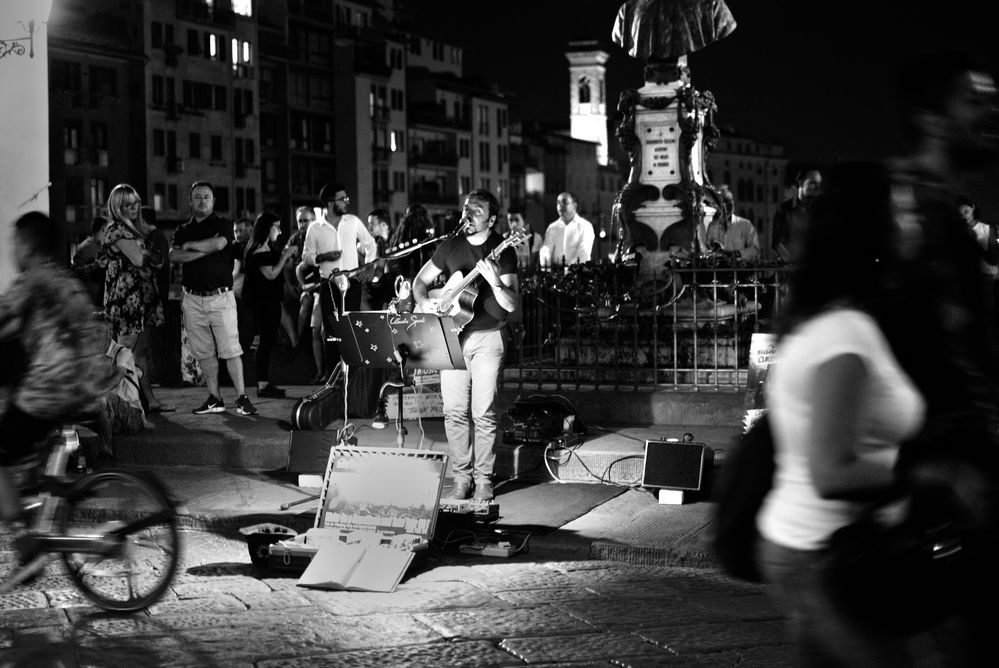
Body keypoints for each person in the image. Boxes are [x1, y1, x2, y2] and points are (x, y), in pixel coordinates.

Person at [756, 163, 927, 666]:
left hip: (815, 546)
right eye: (904, 211)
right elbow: (832, 471)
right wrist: (922, 469)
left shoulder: (829, 316)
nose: (914, 222)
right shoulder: (844, 332)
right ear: (873, 229)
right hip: (823, 553)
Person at [878, 52, 999, 666]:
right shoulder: (910, 214)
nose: (989, 109)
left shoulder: (941, 210)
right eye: (971, 100)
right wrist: (926, 467)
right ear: (931, 117)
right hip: (944, 481)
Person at [0, 212, 118, 554]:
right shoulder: (63, 279)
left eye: (14, 244)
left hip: (49, 389)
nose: (12, 252)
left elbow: (3, 317)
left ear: (26, 245)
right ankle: (45, 502)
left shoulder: (33, 280)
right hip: (81, 386)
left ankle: (26, 538)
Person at [412, 189, 519, 501]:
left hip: (488, 337)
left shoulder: (502, 250)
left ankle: (483, 480)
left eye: (477, 210)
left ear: (492, 218)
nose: (469, 214)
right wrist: (426, 303)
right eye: (466, 208)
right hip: (452, 337)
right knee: (454, 411)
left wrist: (495, 281)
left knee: (483, 412)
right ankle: (462, 478)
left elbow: (511, 305)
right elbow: (420, 282)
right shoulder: (450, 246)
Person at [169, 181, 257, 416]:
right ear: (190, 201)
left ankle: (242, 398)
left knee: (231, 349)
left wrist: (191, 247)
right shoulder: (182, 230)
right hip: (192, 299)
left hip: (220, 298)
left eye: (206, 196)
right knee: (205, 353)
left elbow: (220, 243)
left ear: (213, 201)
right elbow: (174, 255)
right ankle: (215, 398)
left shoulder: (224, 224)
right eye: (197, 196)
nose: (201, 200)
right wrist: (203, 248)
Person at [102, 183, 171, 413]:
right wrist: (148, 253)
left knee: (140, 351)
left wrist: (148, 254)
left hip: (140, 298)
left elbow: (156, 260)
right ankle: (112, 400)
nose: (134, 207)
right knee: (124, 352)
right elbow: (139, 259)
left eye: (136, 202)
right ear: (117, 206)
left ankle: (148, 399)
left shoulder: (133, 231)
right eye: (128, 204)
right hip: (127, 301)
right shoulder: (116, 230)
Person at [302, 182, 377, 379]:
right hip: (328, 285)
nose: (346, 202)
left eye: (346, 198)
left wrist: (368, 267)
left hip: (352, 283)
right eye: (342, 199)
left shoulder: (352, 221)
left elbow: (370, 244)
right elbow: (306, 256)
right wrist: (321, 258)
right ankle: (333, 376)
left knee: (350, 327)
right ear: (329, 203)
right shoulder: (315, 228)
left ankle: (352, 375)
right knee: (331, 330)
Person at [242, 212, 299, 399]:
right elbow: (271, 274)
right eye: (277, 226)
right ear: (267, 228)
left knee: (267, 342)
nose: (280, 231)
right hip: (264, 303)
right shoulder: (259, 250)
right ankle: (263, 384)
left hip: (270, 301)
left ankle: (264, 382)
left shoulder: (266, 248)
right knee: (265, 342)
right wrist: (285, 256)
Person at [771, 168, 822, 263]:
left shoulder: (821, 210)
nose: (817, 187)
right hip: (791, 271)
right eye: (813, 183)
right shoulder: (784, 209)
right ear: (801, 182)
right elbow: (778, 243)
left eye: (819, 184)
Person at [958, 196, 999, 313]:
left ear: (973, 208)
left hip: (986, 275)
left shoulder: (988, 229)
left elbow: (993, 259)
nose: (965, 216)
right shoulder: (959, 232)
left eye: (966, 211)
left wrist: (974, 243)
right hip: (968, 277)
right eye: (960, 214)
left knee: (987, 310)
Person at [700, 185, 760, 261]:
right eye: (725, 201)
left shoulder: (745, 225)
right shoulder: (712, 226)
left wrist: (737, 254)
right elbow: (707, 250)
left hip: (740, 271)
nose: (729, 204)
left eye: (730, 201)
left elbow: (755, 250)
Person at [539, 192, 595, 268]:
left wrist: (568, 269)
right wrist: (546, 264)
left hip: (578, 272)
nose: (560, 206)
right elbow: (546, 248)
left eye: (564, 203)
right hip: (556, 272)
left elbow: (583, 252)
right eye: (558, 203)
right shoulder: (552, 227)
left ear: (574, 206)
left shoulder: (585, 226)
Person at [362, 208, 396, 309]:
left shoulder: (396, 238)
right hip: (389, 281)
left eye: (372, 223)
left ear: (383, 225)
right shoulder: (380, 242)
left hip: (400, 281)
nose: (369, 227)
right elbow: (380, 267)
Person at [71, 215, 108, 309]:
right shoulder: (85, 247)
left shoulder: (104, 246)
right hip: (91, 299)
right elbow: (75, 271)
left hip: (102, 297)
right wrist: (94, 266)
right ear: (103, 229)